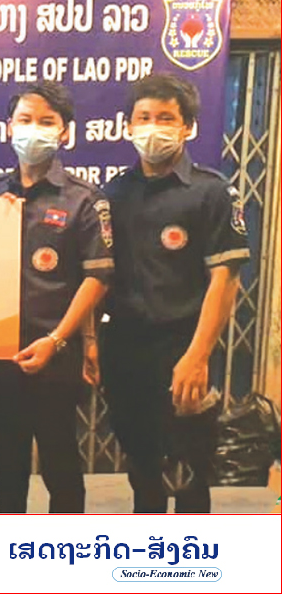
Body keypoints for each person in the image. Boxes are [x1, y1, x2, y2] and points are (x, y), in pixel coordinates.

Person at [102, 73, 249, 513]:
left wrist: (197, 356)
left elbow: (225, 280)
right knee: (142, 470)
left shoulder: (212, 192)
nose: (153, 127)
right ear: (128, 126)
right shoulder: (114, 193)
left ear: (188, 127)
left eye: (166, 118)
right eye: (144, 117)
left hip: (183, 348)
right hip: (125, 350)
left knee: (188, 474)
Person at [0, 82, 113, 513]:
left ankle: (62, 546)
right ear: (9, 127)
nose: (33, 129)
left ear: (65, 132)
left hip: (56, 353)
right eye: (25, 120)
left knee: (60, 462)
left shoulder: (84, 199)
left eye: (46, 121)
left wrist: (58, 340)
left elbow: (97, 278)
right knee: (7, 464)